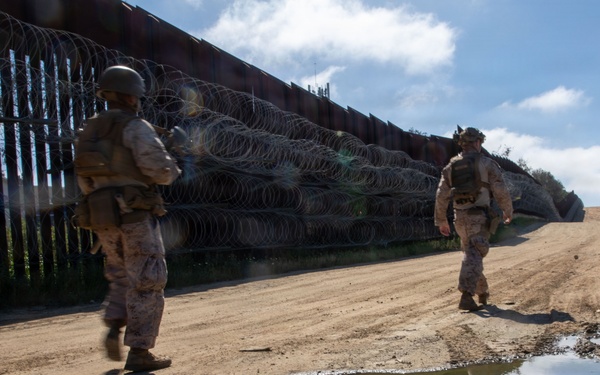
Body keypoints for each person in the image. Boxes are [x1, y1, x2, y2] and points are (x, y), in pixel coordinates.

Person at [74, 65, 181, 371]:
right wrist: (174, 165)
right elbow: (161, 170)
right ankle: (139, 351)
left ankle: (114, 326)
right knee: (148, 279)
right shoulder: (135, 126)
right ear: (132, 96)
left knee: (121, 275)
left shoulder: (89, 130)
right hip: (133, 214)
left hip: (101, 214)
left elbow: (84, 177)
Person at [434, 127, 513, 311]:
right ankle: (466, 296)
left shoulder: (450, 166)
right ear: (478, 142)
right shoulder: (487, 164)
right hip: (478, 217)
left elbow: (441, 194)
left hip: (459, 218)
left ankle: (482, 291)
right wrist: (507, 210)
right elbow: (500, 190)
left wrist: (441, 220)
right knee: (474, 253)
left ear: (461, 144)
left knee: (472, 254)